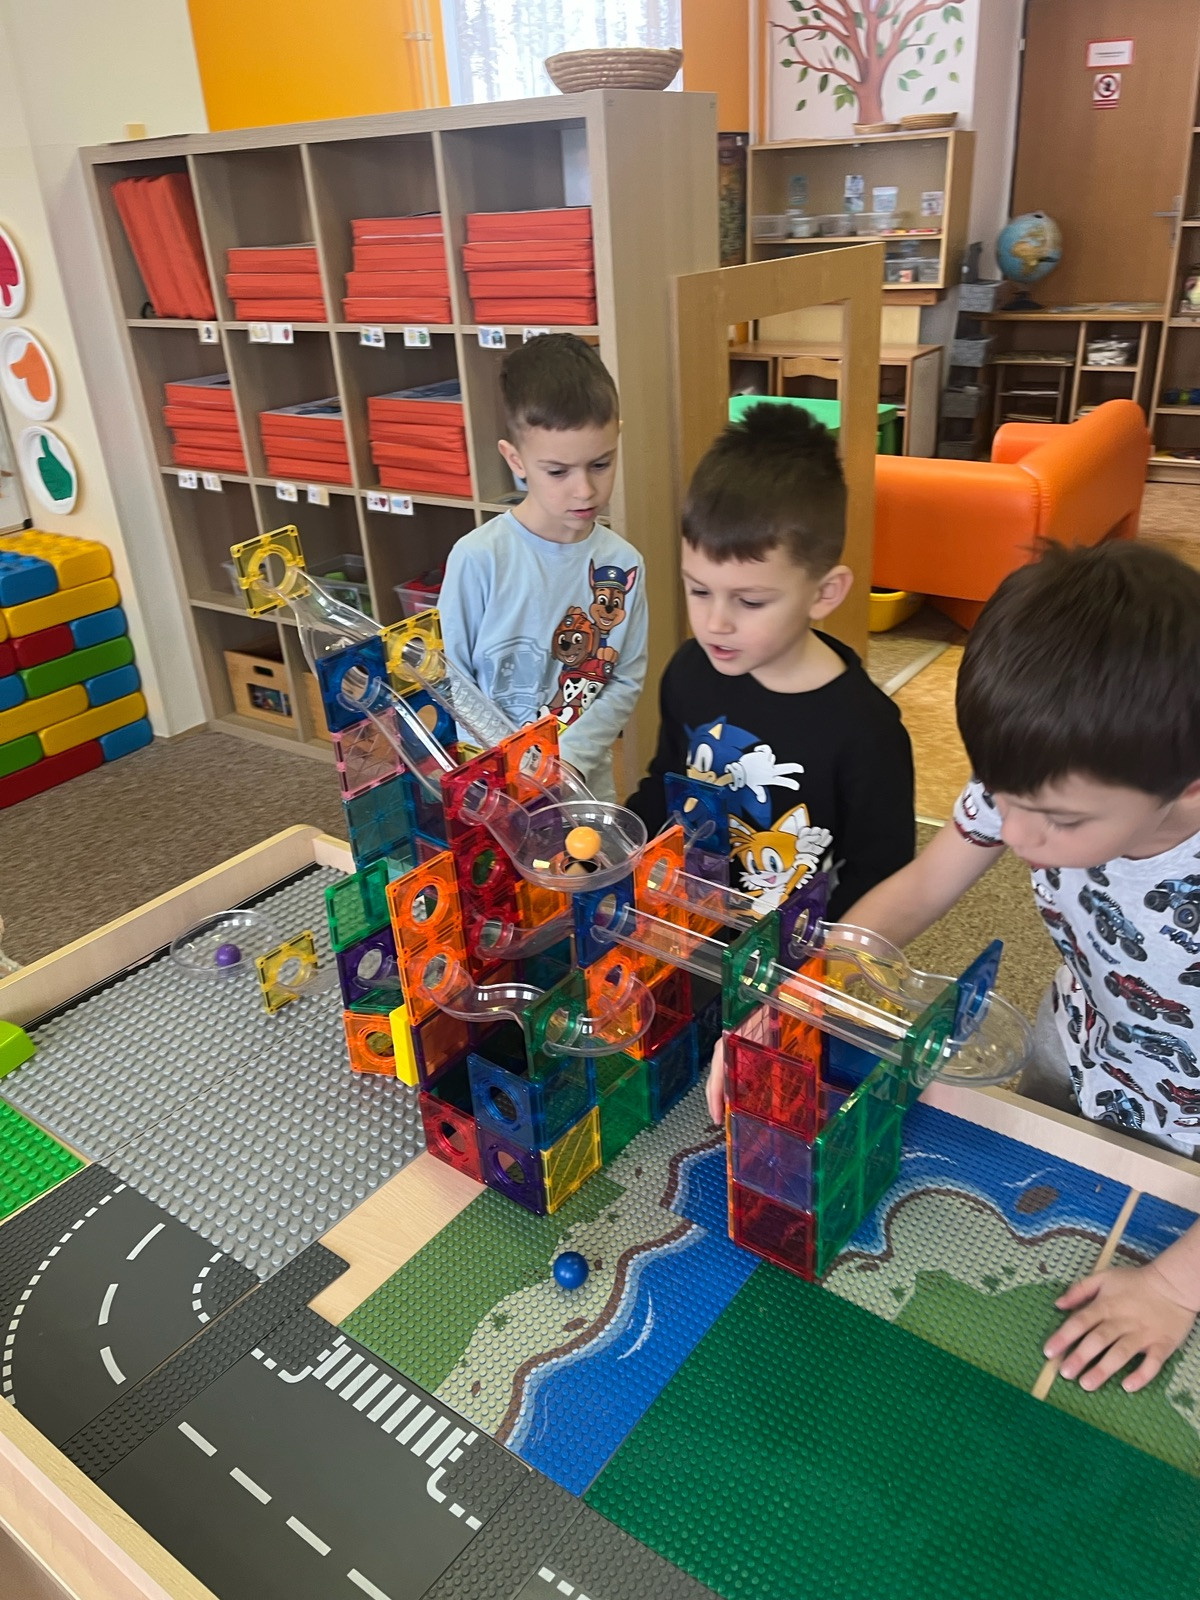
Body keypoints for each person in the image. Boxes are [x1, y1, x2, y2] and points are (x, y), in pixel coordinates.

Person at [843, 539, 1200, 1395]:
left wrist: (1171, 1288)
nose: (1014, 834)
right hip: (1073, 1046)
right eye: (1003, 800)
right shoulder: (1031, 783)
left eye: (1058, 822)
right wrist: (809, 987)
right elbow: (921, 888)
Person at [627, 402, 914, 921]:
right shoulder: (689, 671)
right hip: (681, 930)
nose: (715, 623)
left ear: (824, 594)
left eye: (750, 601)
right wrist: (612, 852)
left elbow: (881, 874)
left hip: (790, 952)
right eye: (698, 590)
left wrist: (814, 956)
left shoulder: (866, 730)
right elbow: (665, 785)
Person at [438, 333, 647, 802]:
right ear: (516, 460)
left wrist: (564, 761)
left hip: (580, 788)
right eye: (558, 472)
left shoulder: (623, 564)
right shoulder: (477, 557)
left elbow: (624, 678)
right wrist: (508, 768)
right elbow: (454, 680)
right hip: (490, 788)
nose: (584, 490)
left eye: (600, 464)